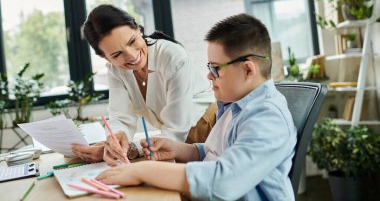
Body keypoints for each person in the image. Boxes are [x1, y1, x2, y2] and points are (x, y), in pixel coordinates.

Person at [96, 13, 297, 201]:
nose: (209, 75)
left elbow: (223, 180)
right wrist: (182, 150)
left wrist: (141, 171)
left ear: (247, 69)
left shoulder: (267, 117)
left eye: (216, 68)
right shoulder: (234, 106)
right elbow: (216, 152)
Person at [72, 4, 216, 165]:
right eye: (117, 54)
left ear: (138, 28)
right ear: (106, 58)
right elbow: (121, 117)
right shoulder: (115, 70)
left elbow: (175, 130)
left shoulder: (172, 56)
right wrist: (117, 141)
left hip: (208, 130)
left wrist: (132, 149)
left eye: (132, 41)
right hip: (175, 141)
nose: (132, 56)